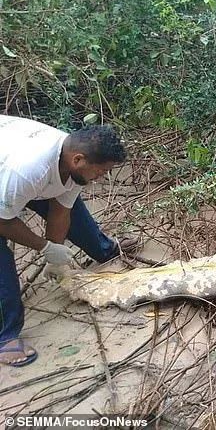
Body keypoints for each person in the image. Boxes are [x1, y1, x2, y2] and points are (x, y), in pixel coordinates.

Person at [0, 115, 135, 366]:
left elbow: (61, 210)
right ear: (78, 160)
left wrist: (56, 254)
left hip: (13, 172)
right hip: (9, 176)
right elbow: (3, 222)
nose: (102, 176)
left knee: (75, 215)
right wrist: (45, 246)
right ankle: (4, 337)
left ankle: (104, 250)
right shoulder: (28, 170)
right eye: (102, 170)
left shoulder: (73, 161)